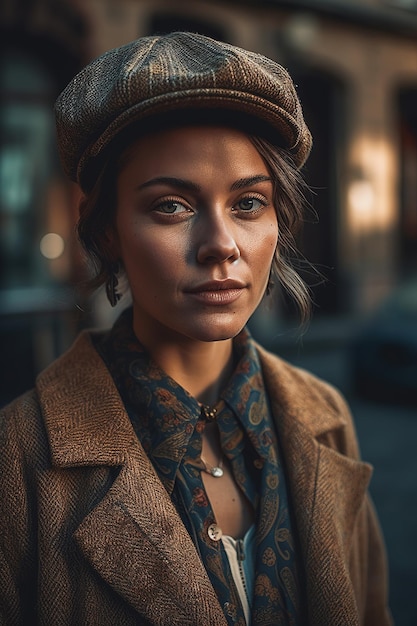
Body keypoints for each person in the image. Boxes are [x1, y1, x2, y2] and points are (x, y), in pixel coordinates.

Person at [0, 32, 392, 626]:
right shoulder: (19, 459)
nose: (220, 246)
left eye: (248, 203)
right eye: (171, 207)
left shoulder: (325, 417)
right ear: (106, 231)